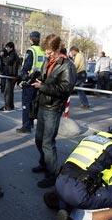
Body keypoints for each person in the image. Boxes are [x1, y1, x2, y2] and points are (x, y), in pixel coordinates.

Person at [31, 35, 77, 188]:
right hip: (43, 104)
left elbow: (65, 89)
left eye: (50, 52)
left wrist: (42, 87)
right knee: (39, 139)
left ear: (58, 50)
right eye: (46, 52)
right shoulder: (48, 61)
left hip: (54, 108)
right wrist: (37, 79)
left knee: (48, 143)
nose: (47, 55)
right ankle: (44, 163)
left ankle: (52, 174)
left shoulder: (67, 65)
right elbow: (47, 79)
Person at [16, 31, 46, 133]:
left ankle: (26, 126)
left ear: (31, 39)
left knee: (26, 105)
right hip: (39, 81)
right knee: (34, 104)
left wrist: (22, 79)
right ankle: (31, 123)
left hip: (30, 82)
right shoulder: (42, 51)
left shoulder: (31, 50)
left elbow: (26, 67)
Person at [0, 42, 20, 111]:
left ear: (11, 48)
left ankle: (7, 106)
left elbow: (7, 62)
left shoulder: (12, 54)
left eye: (8, 47)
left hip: (11, 75)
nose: (6, 49)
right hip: (11, 75)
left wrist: (3, 56)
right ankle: (10, 106)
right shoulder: (12, 54)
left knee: (7, 92)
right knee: (10, 91)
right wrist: (3, 53)